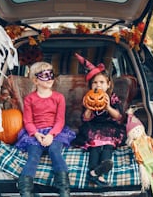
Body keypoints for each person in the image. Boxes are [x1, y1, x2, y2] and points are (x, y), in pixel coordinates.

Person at [15, 61, 75, 197]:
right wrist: (36, 134)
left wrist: (51, 135)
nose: (49, 78)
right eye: (44, 75)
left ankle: (64, 189)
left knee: (55, 151)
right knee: (33, 156)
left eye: (51, 74)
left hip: (55, 133)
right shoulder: (29, 99)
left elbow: (60, 120)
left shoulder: (59, 97)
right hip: (35, 133)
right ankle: (25, 190)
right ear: (35, 80)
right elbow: (28, 121)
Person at [73, 53, 126, 187]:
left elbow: (119, 116)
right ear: (91, 86)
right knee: (94, 146)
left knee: (108, 145)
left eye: (101, 82)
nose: (98, 85)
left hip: (110, 128)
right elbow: (85, 118)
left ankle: (102, 167)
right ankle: (95, 172)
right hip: (93, 127)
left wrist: (108, 107)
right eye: (95, 83)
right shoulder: (88, 97)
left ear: (108, 84)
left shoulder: (112, 98)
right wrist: (89, 108)